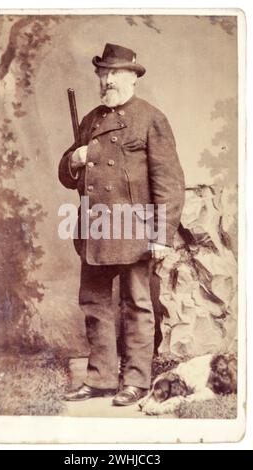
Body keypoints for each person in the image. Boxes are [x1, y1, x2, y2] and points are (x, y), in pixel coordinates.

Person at [59, 43, 185, 406]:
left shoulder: (151, 118)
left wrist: (162, 235)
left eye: (115, 73)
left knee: (137, 305)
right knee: (94, 304)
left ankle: (136, 381)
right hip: (96, 228)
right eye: (103, 73)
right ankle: (99, 379)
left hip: (134, 228)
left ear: (133, 78)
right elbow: (68, 177)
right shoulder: (91, 120)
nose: (107, 80)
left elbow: (169, 181)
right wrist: (75, 159)